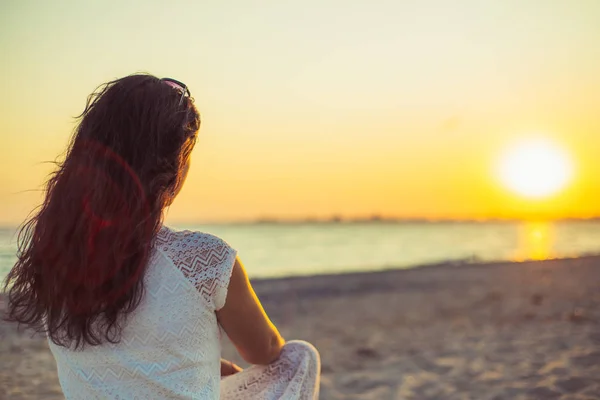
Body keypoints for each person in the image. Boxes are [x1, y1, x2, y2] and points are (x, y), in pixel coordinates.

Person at [2, 74, 320, 399]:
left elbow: (124, 352)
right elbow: (264, 350)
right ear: (172, 165)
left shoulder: (54, 257)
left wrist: (205, 360)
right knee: (300, 357)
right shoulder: (203, 258)